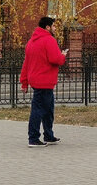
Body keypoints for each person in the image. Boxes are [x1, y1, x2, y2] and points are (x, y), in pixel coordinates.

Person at [19, 16, 67, 148]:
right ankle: (33, 138)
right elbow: (55, 59)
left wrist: (24, 82)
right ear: (47, 27)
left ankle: (49, 135)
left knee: (48, 109)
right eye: (54, 26)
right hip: (45, 81)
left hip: (36, 80)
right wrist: (62, 55)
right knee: (39, 110)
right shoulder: (49, 40)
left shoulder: (31, 42)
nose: (55, 28)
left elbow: (26, 63)